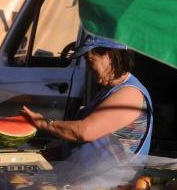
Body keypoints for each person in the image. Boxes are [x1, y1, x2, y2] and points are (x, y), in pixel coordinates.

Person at [21, 35, 153, 165]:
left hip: (112, 184)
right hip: (85, 180)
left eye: (90, 61)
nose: (88, 69)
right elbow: (78, 145)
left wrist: (44, 124)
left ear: (109, 57)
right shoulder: (108, 91)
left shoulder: (130, 93)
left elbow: (84, 132)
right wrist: (31, 157)